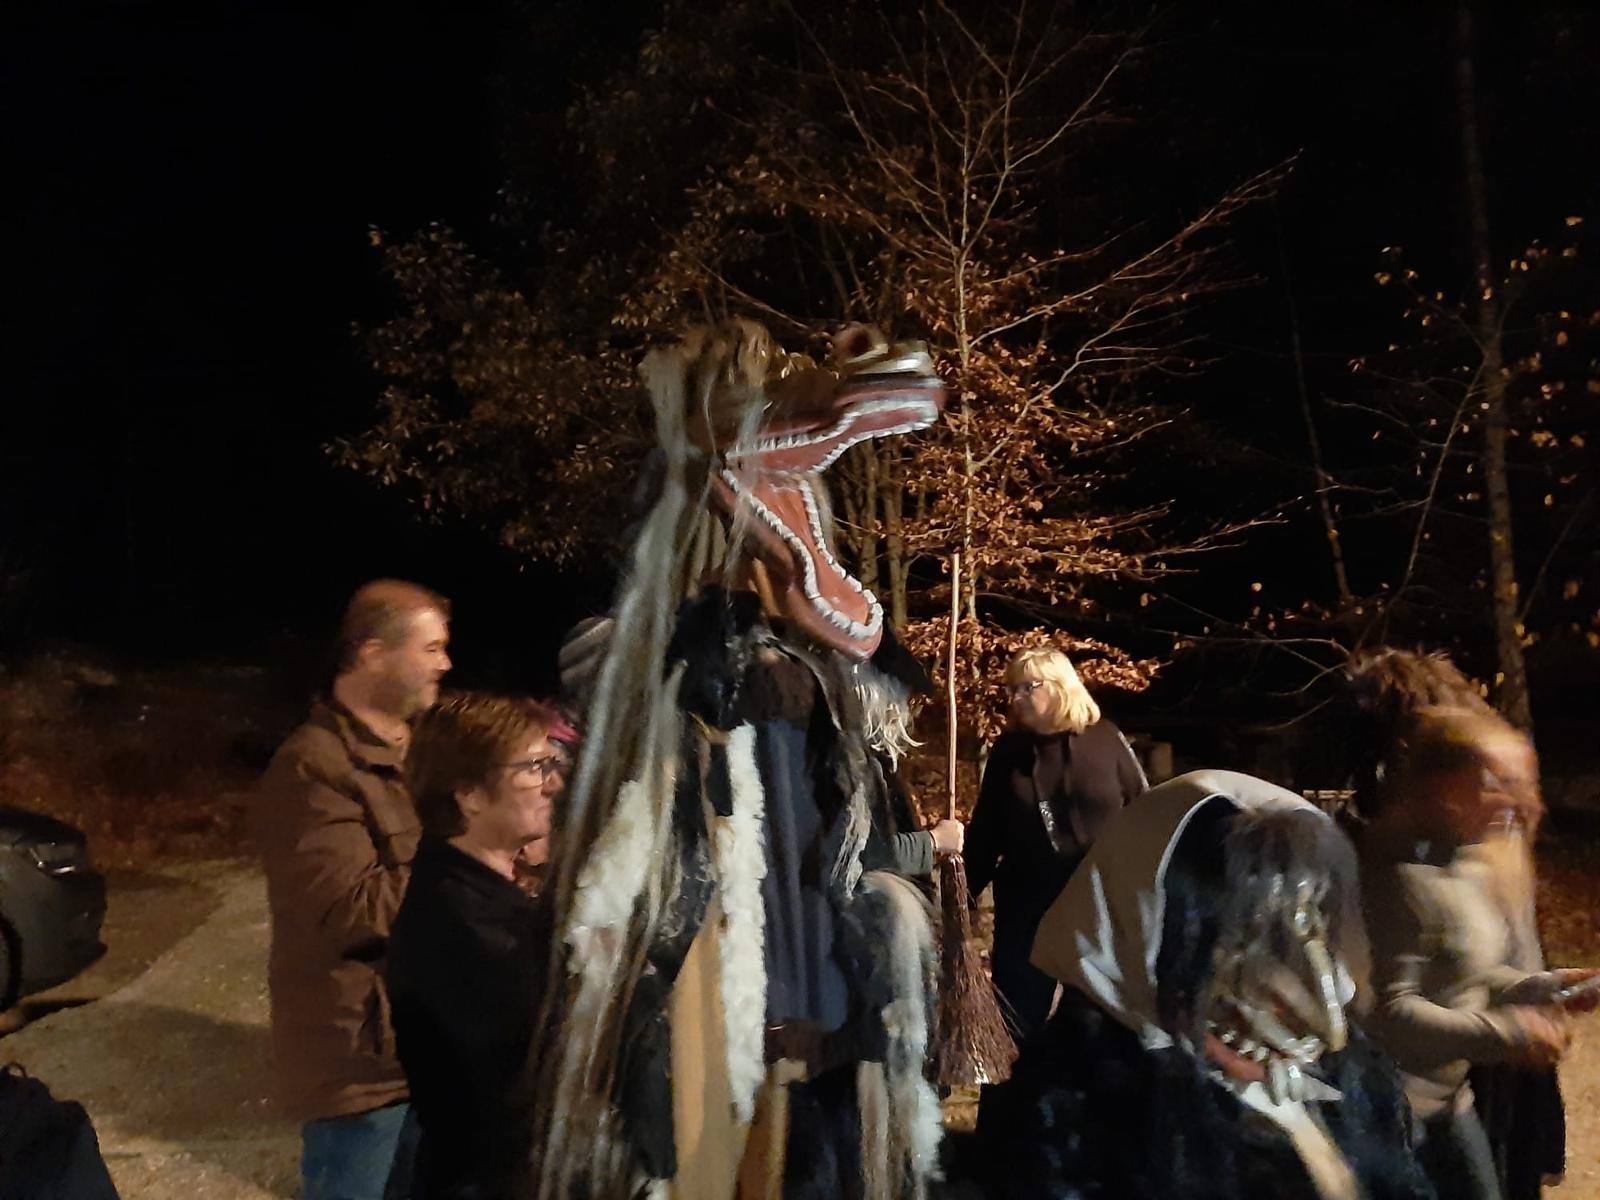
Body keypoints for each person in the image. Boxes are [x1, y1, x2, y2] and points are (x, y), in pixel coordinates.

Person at [527, 320, 949, 1200]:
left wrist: (922, 865)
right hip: (709, 1004)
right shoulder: (650, 665)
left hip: (824, 1002)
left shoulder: (829, 687)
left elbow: (868, 834)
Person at [986, 769, 1436, 1200]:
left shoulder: (1358, 1078)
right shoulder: (1076, 1118)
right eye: (1243, 937)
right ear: (1138, 934)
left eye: (1306, 931)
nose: (1298, 992)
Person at [252, 579, 451, 1200]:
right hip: (362, 1067)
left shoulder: (425, 749)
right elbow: (350, 907)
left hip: (425, 1049)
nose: (445, 664)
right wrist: (470, 856)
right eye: (431, 648)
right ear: (371, 654)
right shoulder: (313, 766)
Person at [1357, 706, 1600, 1200]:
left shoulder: (1467, 864)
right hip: (1392, 1114)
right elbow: (1390, 1013)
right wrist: (1507, 1033)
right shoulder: (1401, 877)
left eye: (1523, 783)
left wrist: (1548, 986)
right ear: (1446, 788)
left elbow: (1472, 976)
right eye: (1500, 783)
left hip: (1449, 1102)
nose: (1523, 800)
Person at [387, 692, 568, 1199]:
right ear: (469, 793)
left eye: (551, 763)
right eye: (533, 768)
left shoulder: (476, 892)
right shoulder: (470, 924)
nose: (552, 784)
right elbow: (529, 1091)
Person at [964, 646, 1146, 1045]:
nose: (1015, 698)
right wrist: (959, 898)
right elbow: (985, 833)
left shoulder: (1106, 741)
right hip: (1028, 909)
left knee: (1101, 1025)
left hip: (1100, 907)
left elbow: (1143, 814)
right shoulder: (1009, 752)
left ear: (1061, 686)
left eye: (1028, 687)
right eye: (1011, 689)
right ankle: (1012, 1103)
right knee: (1015, 1025)